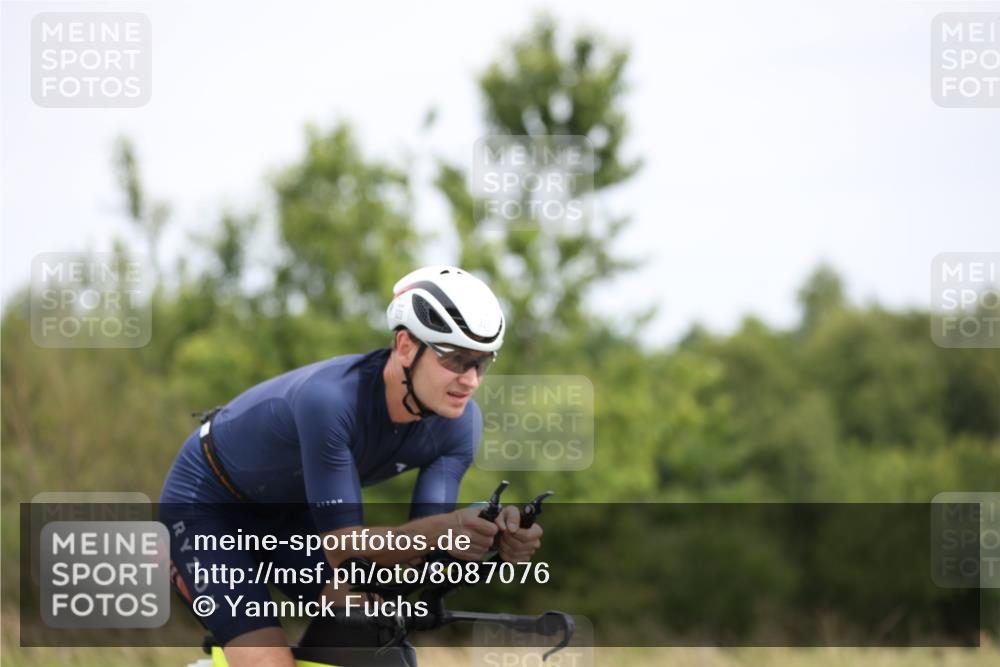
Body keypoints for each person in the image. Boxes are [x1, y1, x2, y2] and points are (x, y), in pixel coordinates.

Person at [159, 266, 544, 667]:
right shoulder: (331, 400)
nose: (470, 381)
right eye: (455, 360)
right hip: (207, 506)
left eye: (481, 364)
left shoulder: (459, 424)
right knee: (268, 660)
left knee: (371, 624)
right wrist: (449, 528)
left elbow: (421, 560)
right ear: (406, 346)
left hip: (290, 516)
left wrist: (491, 535)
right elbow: (345, 549)